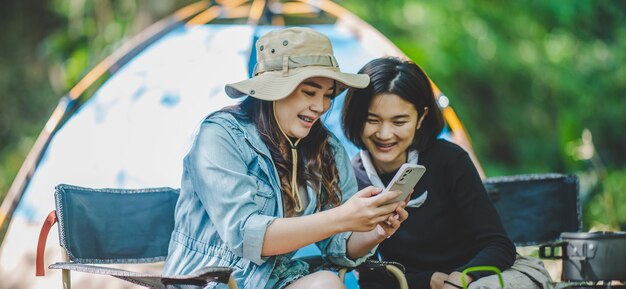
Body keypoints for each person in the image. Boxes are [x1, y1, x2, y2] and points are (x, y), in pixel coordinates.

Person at [162, 28, 410, 289]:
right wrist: (343, 217)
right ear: (275, 90)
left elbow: (339, 246)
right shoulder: (220, 136)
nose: (321, 106)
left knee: (325, 283)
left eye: (328, 95)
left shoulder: (326, 149)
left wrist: (374, 230)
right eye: (310, 92)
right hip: (211, 282)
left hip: (276, 280)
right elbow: (246, 236)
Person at [342, 57, 551, 289]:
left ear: (421, 117)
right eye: (372, 120)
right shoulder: (351, 179)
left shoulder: (449, 160)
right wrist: (427, 281)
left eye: (399, 122)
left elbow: (498, 245)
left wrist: (461, 279)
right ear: (357, 117)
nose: (385, 134)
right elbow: (369, 276)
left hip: (484, 277)